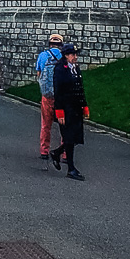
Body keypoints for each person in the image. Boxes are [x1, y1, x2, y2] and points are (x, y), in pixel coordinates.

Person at [50, 43, 89, 180]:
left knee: (75, 137)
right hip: (65, 108)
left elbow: (80, 87)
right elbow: (58, 91)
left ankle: (56, 152)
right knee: (69, 137)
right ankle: (71, 169)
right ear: (66, 55)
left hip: (76, 108)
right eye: (73, 54)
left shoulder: (75, 69)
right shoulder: (60, 69)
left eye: (76, 54)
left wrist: (84, 105)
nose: (75, 57)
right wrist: (59, 111)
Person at [34, 34, 64, 160]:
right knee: (64, 125)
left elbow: (38, 74)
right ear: (61, 45)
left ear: (49, 44)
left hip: (47, 96)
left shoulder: (43, 56)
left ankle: (44, 150)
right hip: (61, 97)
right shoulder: (64, 57)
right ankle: (65, 152)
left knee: (46, 124)